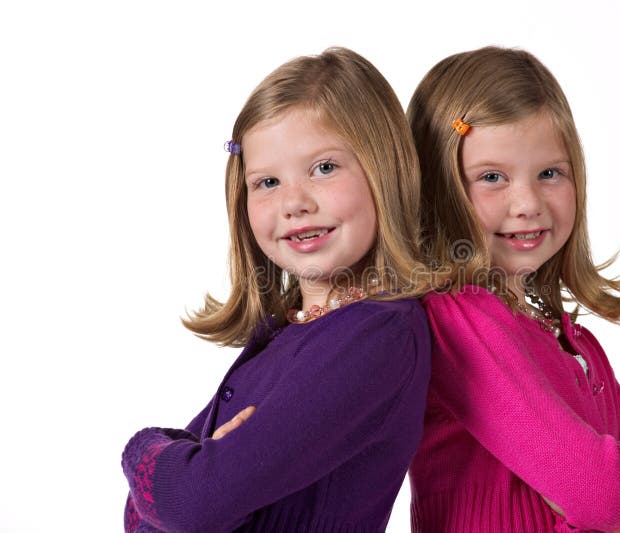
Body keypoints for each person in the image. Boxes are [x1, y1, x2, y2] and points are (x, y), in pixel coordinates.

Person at [121, 47, 431, 533]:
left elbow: (187, 505)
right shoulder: (284, 330)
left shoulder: (376, 335)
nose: (294, 203)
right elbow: (144, 513)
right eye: (266, 181)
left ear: (384, 169)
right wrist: (178, 473)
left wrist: (144, 447)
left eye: (324, 168)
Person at [407, 46, 620, 532]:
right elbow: (601, 495)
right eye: (492, 178)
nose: (527, 203)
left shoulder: (572, 340)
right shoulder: (460, 318)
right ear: (440, 189)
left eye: (549, 173)